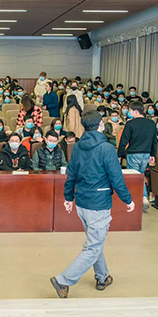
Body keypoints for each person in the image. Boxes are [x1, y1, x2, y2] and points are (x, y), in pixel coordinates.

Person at [50, 111, 134, 299]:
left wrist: (68, 197)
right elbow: (116, 178)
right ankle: (63, 280)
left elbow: (71, 174)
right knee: (93, 247)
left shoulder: (77, 147)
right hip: (99, 204)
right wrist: (128, 200)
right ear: (101, 125)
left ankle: (102, 276)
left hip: (81, 202)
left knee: (95, 241)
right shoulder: (106, 148)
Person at [117, 101, 157, 211]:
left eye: (130, 110)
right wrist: (153, 154)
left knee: (135, 177)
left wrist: (119, 155)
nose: (129, 112)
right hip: (146, 153)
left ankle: (142, 197)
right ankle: (141, 197)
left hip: (133, 153)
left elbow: (123, 141)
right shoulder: (151, 123)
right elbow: (154, 140)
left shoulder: (130, 124)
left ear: (135, 111)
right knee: (141, 175)